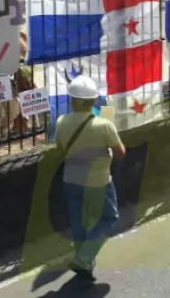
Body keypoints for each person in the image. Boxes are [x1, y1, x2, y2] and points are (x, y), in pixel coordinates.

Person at [56, 75, 126, 281]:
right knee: (109, 217)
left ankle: (83, 260)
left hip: (71, 180)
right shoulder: (104, 125)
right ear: (94, 101)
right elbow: (120, 152)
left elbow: (60, 149)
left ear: (72, 100)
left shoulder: (61, 122)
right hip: (99, 182)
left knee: (78, 221)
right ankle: (84, 258)